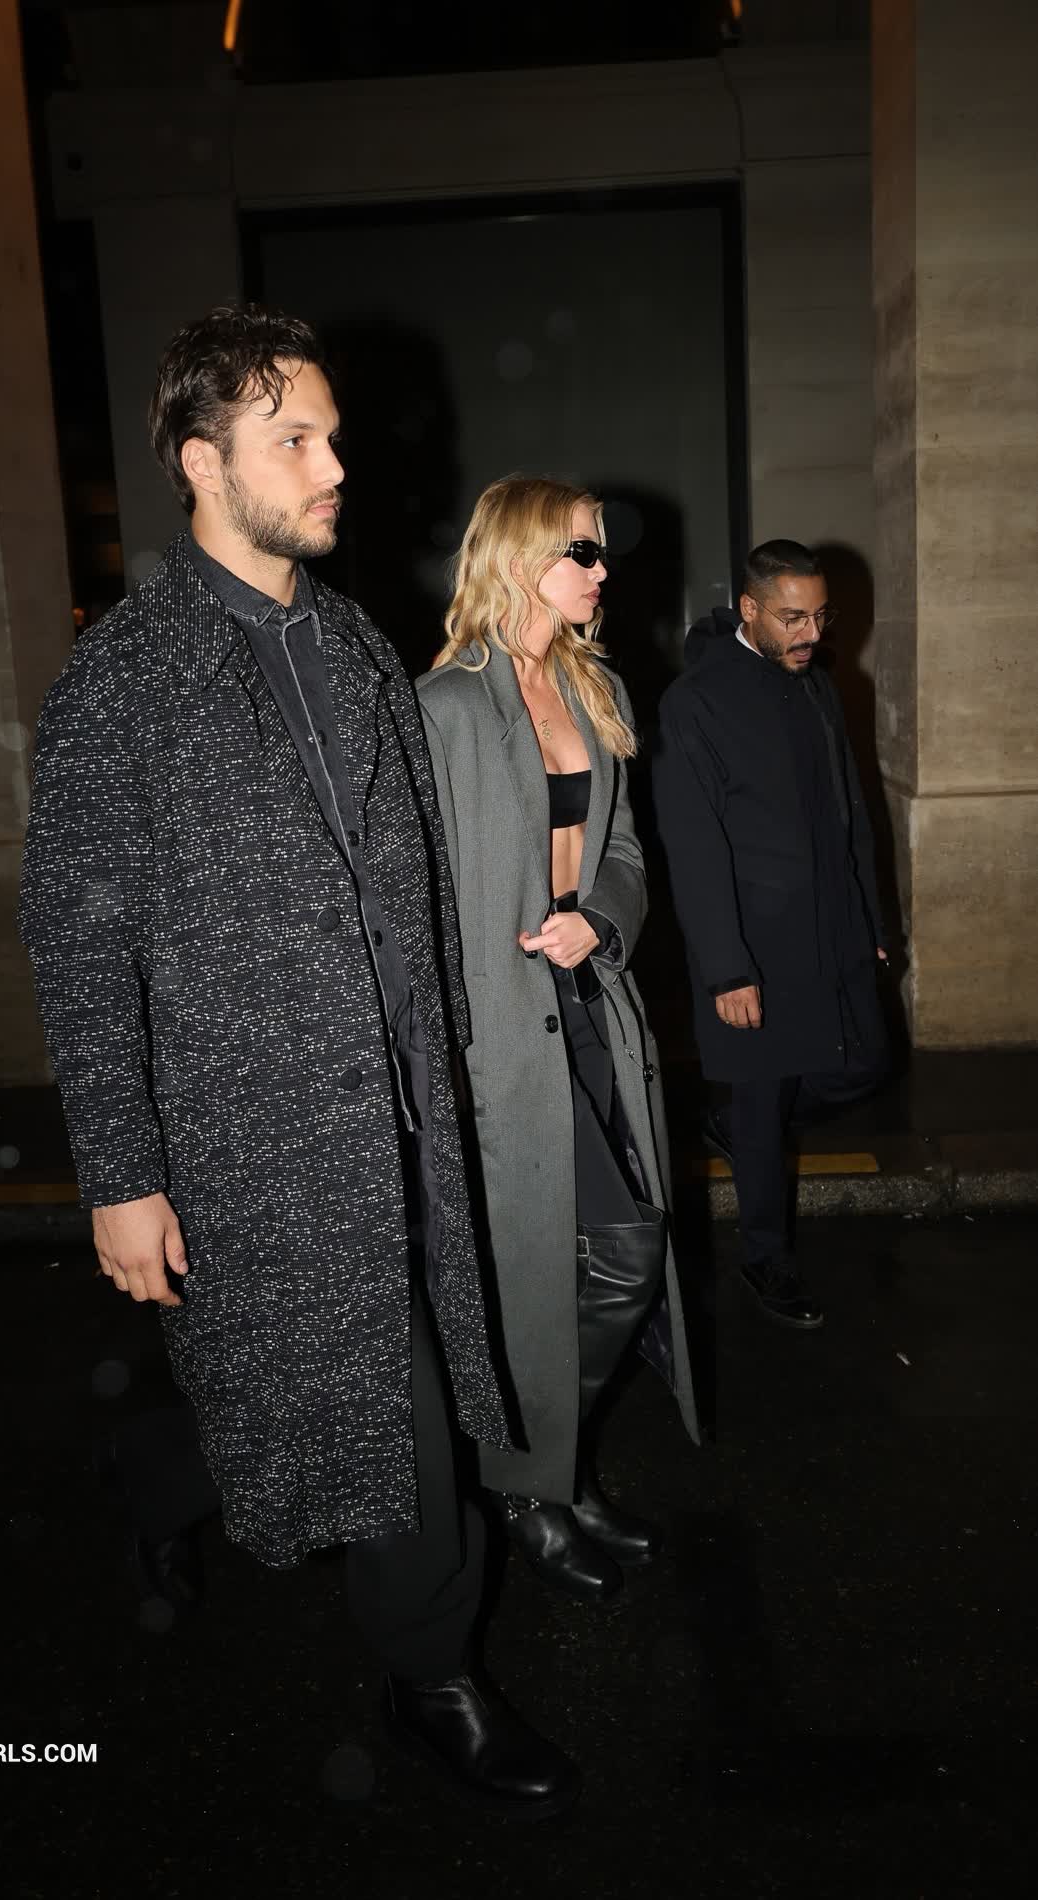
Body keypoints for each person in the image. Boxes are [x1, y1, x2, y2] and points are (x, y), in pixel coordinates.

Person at [18, 305, 578, 1817]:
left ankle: (157, 1471)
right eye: (296, 441)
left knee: (333, 1391)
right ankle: (432, 1676)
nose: (336, 468)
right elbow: (78, 940)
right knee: (382, 1409)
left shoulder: (357, 646)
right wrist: (121, 1175)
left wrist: (451, 1068)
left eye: (332, 436)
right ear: (204, 462)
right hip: (245, 1137)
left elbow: (412, 882)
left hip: (398, 1119)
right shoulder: (120, 679)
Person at [415, 477, 699, 1605]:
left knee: (618, 1252)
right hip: (500, 1033)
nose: (601, 569)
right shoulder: (444, 706)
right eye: (581, 550)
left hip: (591, 1003)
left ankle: (545, 1471)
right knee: (569, 1261)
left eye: (600, 551)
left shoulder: (595, 685)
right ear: (521, 557)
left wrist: (600, 922)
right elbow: (413, 894)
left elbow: (624, 852)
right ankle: (531, 1485)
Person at [651, 539, 889, 1329]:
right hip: (753, 941)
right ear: (748, 609)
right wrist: (726, 968)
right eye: (792, 617)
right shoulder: (696, 702)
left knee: (864, 1062)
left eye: (820, 616)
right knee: (762, 1098)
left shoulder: (816, 682)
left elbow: (850, 813)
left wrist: (870, 918)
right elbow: (693, 845)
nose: (811, 633)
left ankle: (730, 1128)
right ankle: (765, 1257)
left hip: (833, 923)